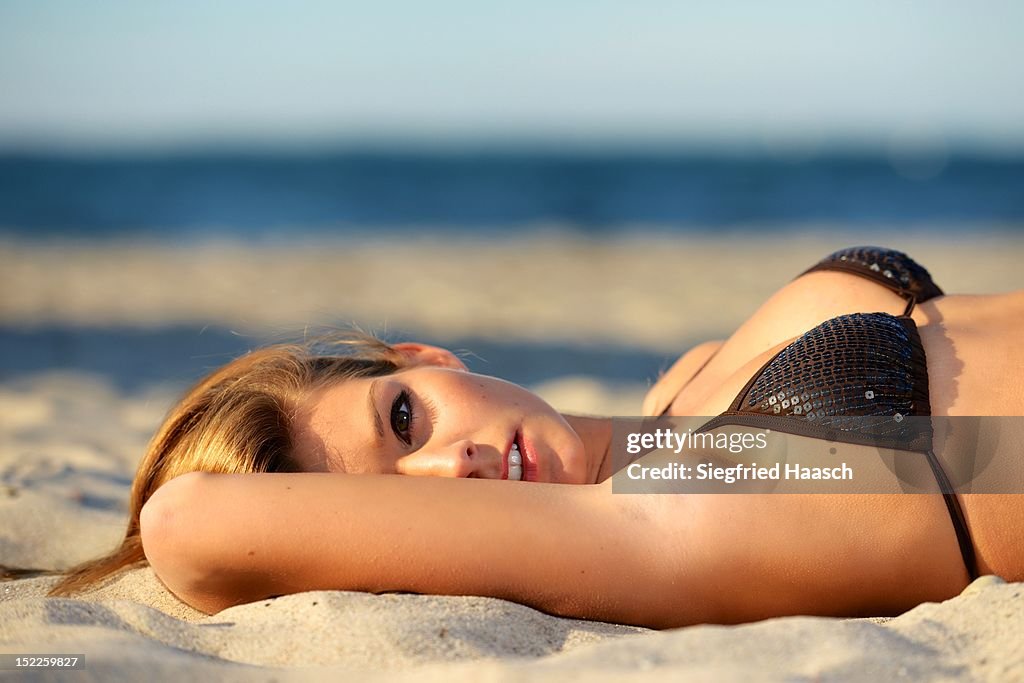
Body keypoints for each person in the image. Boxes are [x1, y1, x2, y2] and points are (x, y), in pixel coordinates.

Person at [49, 247, 1024, 629]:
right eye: (408, 498)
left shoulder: (683, 401)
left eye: (405, 420)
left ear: (425, 355)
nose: (453, 466)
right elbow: (190, 522)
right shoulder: (690, 514)